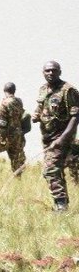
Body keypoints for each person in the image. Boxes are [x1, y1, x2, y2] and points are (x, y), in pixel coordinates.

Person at [33, 61, 79, 211]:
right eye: (47, 71)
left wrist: (63, 138)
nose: (50, 73)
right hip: (47, 137)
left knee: (50, 169)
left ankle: (61, 206)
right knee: (56, 170)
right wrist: (36, 115)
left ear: (59, 72)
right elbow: (40, 108)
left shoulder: (68, 90)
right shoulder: (43, 89)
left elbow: (75, 117)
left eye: (54, 70)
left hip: (61, 138)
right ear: (43, 73)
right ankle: (63, 204)